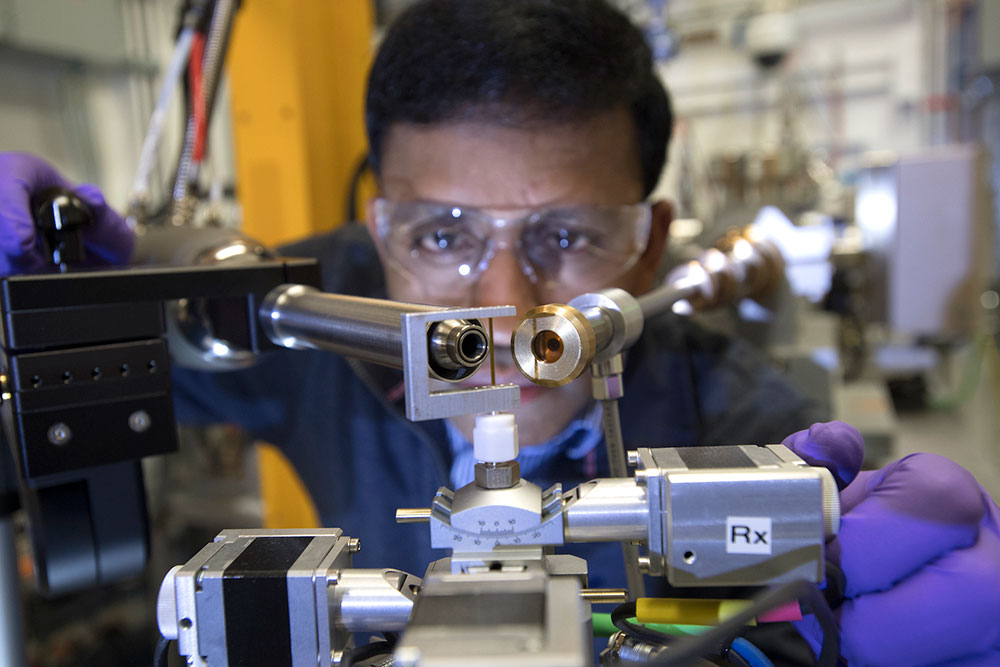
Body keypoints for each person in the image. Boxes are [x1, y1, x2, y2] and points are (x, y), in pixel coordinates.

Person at [1, 1, 998, 664]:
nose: (510, 316)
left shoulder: (746, 420)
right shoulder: (303, 321)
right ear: (378, 233)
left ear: (647, 249)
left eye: (566, 235)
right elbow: (65, 400)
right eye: (443, 235)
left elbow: (807, 598)